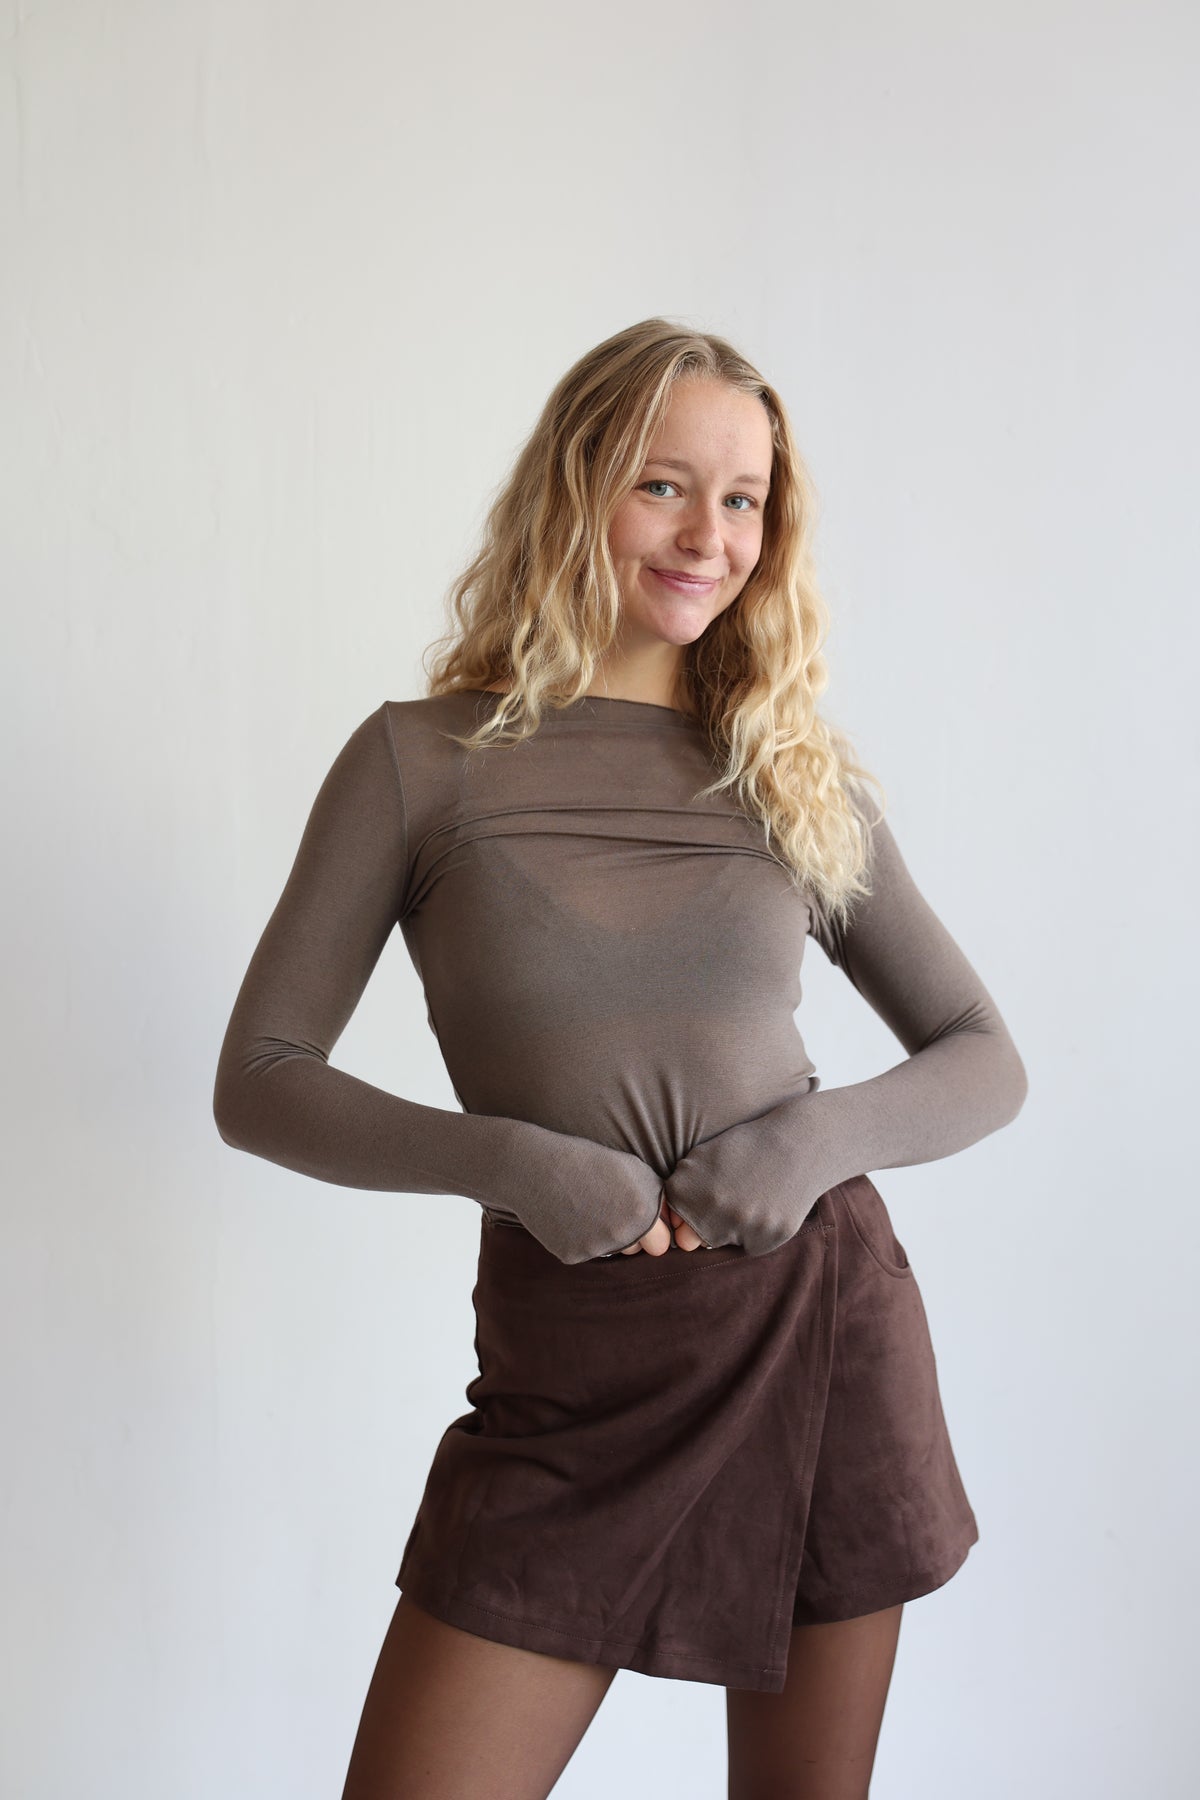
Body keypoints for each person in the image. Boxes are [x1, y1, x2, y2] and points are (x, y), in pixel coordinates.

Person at [212, 317, 1028, 1800]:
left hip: (818, 1333)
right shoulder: (420, 761)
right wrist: (514, 1165)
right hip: (572, 1372)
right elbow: (262, 1076)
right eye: (664, 485)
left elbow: (983, 1056)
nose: (709, 536)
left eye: (743, 499)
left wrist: (805, 1144)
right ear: (575, 485)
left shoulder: (790, 773)